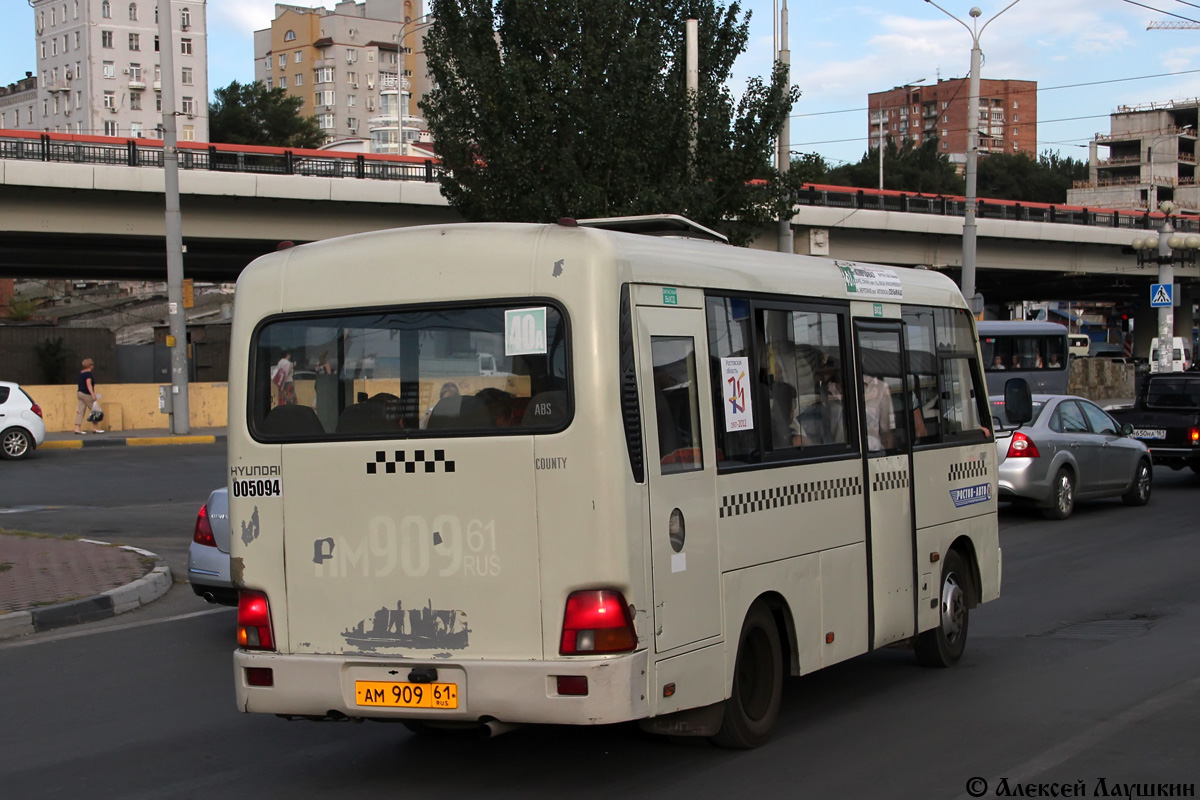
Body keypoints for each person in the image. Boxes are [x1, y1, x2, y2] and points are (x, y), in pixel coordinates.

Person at [74, 357, 105, 434]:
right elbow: (89, 385)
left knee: (81, 411)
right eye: (92, 364)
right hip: (86, 394)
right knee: (96, 411)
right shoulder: (88, 373)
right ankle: (95, 427)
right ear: (90, 365)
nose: (93, 366)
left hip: (80, 393)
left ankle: (77, 428)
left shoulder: (81, 373)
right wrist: (93, 395)